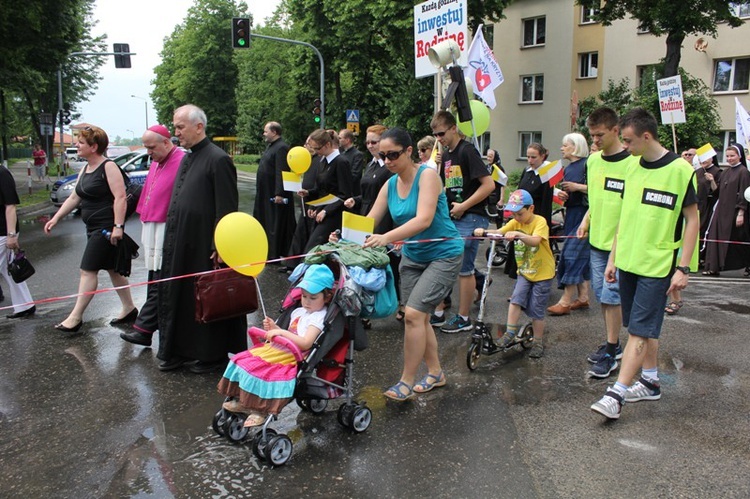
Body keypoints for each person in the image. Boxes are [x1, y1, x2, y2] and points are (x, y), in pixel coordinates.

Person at [591, 107, 699, 420]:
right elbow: (624, 216)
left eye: (628, 140)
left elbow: (692, 220)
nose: (625, 147)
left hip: (657, 263)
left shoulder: (681, 170)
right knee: (643, 327)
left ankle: (617, 393)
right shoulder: (633, 168)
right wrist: (613, 257)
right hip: (628, 260)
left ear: (646, 136)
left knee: (638, 330)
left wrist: (684, 267)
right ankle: (650, 382)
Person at [363, 127, 463, 400]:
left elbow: (424, 219)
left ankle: (405, 381)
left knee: (414, 316)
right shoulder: (390, 183)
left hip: (444, 254)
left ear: (409, 151)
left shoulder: (427, 176)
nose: (388, 161)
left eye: (393, 155)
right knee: (419, 318)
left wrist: (385, 237)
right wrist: (343, 235)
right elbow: (370, 218)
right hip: (414, 257)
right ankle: (436, 372)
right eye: (383, 156)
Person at [156, 104, 246, 374]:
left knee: (205, 300)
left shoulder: (218, 159)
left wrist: (220, 244)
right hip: (181, 241)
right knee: (179, 297)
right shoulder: (187, 157)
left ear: (199, 126)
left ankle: (210, 355)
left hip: (204, 245)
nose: (176, 133)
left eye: (180, 127)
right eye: (175, 127)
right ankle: (179, 351)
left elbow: (227, 207)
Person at [44, 125, 137, 331]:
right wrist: (56, 218)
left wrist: (118, 227)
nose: (76, 145)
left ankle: (75, 318)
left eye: (81, 142)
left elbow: (120, 198)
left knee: (87, 271)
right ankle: (129, 307)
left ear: (94, 146)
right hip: (92, 227)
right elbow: (75, 196)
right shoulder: (86, 168)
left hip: (104, 229)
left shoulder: (109, 167)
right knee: (113, 269)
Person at [218, 264, 334, 427]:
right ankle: (244, 400)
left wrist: (282, 334)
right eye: (304, 296)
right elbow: (288, 332)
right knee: (242, 361)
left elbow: (306, 342)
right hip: (280, 348)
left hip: (293, 355)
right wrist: (275, 328)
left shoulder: (319, 318)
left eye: (313, 298)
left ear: (327, 297)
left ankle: (260, 410)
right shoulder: (299, 312)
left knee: (262, 372)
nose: (307, 302)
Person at [577, 107, 638, 379]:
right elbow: (597, 198)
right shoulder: (592, 161)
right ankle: (612, 341)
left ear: (616, 130)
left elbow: (629, 207)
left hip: (620, 244)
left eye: (600, 135)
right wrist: (586, 220)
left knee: (612, 296)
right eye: (592, 135)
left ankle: (613, 350)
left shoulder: (632, 163)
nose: (595, 140)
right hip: (597, 242)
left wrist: (617, 244)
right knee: (603, 296)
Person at [430, 111, 494, 334]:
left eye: (441, 133)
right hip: (453, 216)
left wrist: (464, 205)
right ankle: (438, 312)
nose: (439, 138)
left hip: (472, 215)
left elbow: (489, 185)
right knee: (443, 262)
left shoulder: (468, 151)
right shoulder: (447, 154)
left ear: (453, 128)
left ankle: (464, 317)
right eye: (435, 135)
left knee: (464, 267)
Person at [119, 125, 184, 347]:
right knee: (155, 277)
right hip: (154, 225)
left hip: (167, 226)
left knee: (161, 278)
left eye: (151, 147)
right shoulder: (157, 160)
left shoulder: (182, 160)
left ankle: (144, 328)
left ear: (166, 143)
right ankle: (145, 329)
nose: (148, 153)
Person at [476, 189, 555, 358]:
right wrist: (483, 231)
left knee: (537, 311)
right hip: (524, 272)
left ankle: (538, 341)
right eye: (513, 214)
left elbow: (535, 241)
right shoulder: (515, 222)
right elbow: (500, 232)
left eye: (520, 214)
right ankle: (510, 333)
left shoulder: (539, 222)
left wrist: (519, 234)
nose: (516, 218)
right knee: (515, 300)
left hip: (542, 274)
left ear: (531, 208)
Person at [343, 124, 403, 322]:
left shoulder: (391, 167)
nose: (370, 145)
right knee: (367, 263)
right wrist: (356, 200)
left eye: (374, 142)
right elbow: (368, 192)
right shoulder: (371, 165)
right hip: (367, 214)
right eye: (367, 142)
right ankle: (368, 306)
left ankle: (398, 302)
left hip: (386, 218)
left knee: (389, 263)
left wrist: (396, 230)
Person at [548, 133, 590, 315]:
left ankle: (565, 301)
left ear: (576, 147)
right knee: (576, 255)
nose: (561, 148)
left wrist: (577, 187)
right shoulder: (568, 168)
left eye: (565, 145)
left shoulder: (588, 165)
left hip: (585, 215)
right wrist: (564, 195)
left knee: (571, 255)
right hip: (572, 213)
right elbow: (569, 190)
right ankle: (583, 298)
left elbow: (599, 188)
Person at [298, 129, 353, 252]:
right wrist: (309, 194)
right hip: (321, 211)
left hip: (334, 214)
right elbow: (320, 189)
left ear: (327, 145)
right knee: (314, 248)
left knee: (313, 248)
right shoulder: (323, 161)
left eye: (317, 148)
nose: (316, 152)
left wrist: (326, 211)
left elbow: (345, 194)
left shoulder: (341, 162)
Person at [702, 144, 750, 276]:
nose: (729, 159)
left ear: (739, 156)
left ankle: (746, 266)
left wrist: (741, 213)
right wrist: (712, 181)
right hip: (721, 210)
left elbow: (744, 193)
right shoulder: (726, 172)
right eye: (727, 156)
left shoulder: (743, 172)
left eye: (732, 156)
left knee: (736, 239)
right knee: (714, 237)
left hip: (733, 212)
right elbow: (718, 192)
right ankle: (713, 266)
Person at [253, 121, 296, 261]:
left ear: (274, 132)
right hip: (265, 191)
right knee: (265, 221)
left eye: (266, 131)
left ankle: (273, 253)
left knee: (274, 224)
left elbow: (281, 171)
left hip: (273, 193)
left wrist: (279, 193)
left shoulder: (281, 148)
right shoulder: (272, 146)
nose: (264, 134)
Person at [1, 162, 35, 318]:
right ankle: (25, 306)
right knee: (9, 270)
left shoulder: (2, 173)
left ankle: (25, 306)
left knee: (8, 268)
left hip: (3, 232)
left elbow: (10, 206)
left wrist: (11, 235)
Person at [284, 134, 322, 273]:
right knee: (300, 231)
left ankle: (300, 263)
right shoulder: (310, 160)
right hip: (306, 198)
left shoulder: (319, 161)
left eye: (308, 144)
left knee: (307, 232)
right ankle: (292, 262)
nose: (306, 147)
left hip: (314, 200)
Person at [518, 143, 554, 226]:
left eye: (533, 157)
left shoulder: (546, 174)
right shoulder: (526, 171)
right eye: (528, 157)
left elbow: (546, 203)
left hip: (536, 218)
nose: (530, 160)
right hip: (522, 216)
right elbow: (520, 189)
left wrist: (543, 225)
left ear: (542, 156)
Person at [339, 128, 365, 195]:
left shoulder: (357, 155)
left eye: (340, 138)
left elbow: (355, 175)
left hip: (352, 193)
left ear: (347, 140)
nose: (338, 140)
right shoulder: (341, 153)